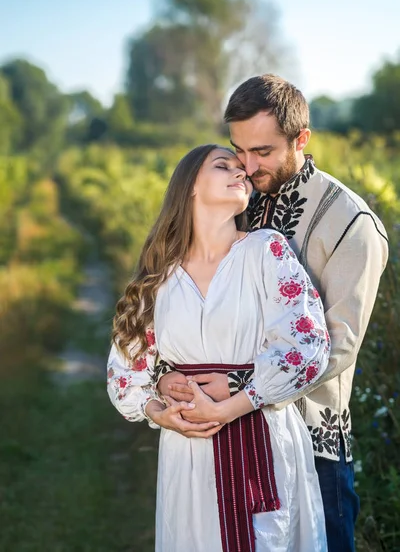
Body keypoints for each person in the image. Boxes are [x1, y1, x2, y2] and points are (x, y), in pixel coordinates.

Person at [157, 75, 389, 552]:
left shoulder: (353, 224)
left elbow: (338, 345)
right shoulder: (241, 197)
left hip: (311, 437)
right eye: (238, 150)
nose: (247, 164)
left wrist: (238, 386)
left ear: (301, 139)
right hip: (220, 433)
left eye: (262, 151)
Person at [107, 144, 331, 552]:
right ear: (190, 185)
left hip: (260, 435)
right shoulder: (160, 273)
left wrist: (230, 404)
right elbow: (125, 374)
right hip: (189, 449)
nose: (240, 172)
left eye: (241, 168)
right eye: (223, 165)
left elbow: (308, 345)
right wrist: (161, 410)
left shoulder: (266, 250)